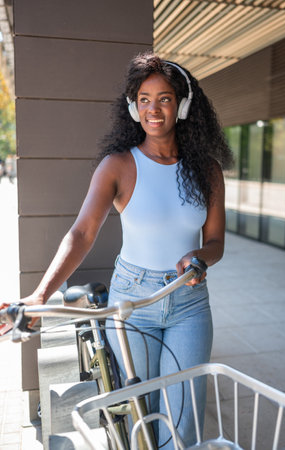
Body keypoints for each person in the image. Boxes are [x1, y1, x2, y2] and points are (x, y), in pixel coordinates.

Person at [20, 51, 233, 446]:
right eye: (144, 99)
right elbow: (82, 233)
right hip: (133, 302)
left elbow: (216, 242)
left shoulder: (208, 170)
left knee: (183, 420)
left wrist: (199, 258)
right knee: (143, 416)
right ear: (134, 108)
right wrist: (40, 294)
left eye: (165, 98)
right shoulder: (117, 166)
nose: (154, 109)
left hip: (188, 302)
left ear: (183, 105)